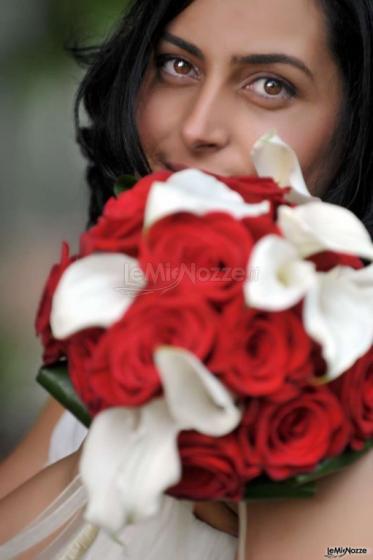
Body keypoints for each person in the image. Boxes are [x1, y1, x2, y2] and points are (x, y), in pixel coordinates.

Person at [1, 0, 373, 558]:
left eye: (271, 85)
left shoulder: (334, 399)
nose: (197, 127)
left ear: (358, 125)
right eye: (179, 66)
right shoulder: (137, 318)